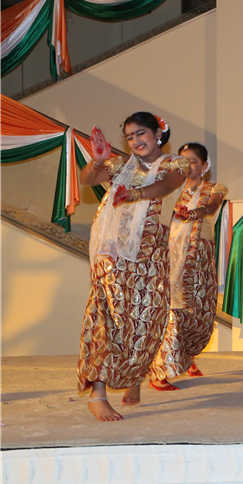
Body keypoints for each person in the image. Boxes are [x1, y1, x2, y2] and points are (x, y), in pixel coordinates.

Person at [78, 113, 189, 421]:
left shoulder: (176, 164)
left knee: (147, 322)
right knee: (107, 319)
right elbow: (87, 180)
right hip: (113, 254)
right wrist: (98, 161)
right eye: (129, 136)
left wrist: (135, 194)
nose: (136, 140)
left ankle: (134, 376)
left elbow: (164, 187)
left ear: (157, 134)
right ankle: (97, 395)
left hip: (151, 257)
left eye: (141, 133)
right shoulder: (120, 166)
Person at [148, 143, 227, 391]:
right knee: (174, 310)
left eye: (193, 161)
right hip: (172, 258)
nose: (187, 165)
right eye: (183, 161)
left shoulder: (214, 189)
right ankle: (160, 371)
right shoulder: (168, 190)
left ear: (205, 166)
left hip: (200, 258)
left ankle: (186, 356)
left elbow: (211, 207)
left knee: (200, 311)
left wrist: (193, 214)